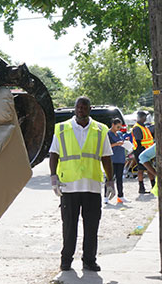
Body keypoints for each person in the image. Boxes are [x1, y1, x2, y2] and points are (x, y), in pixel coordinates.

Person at [49, 96, 114, 272]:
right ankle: (66, 260)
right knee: (69, 226)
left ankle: (89, 260)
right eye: (78, 107)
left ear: (89, 109)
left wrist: (110, 181)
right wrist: (53, 177)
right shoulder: (61, 129)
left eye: (84, 107)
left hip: (92, 186)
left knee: (92, 226)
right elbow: (54, 154)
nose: (81, 110)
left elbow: (106, 157)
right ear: (74, 109)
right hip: (69, 187)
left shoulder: (100, 130)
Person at [131, 111, 154, 194]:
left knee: (149, 168)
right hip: (140, 151)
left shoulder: (144, 127)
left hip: (147, 150)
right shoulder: (137, 128)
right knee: (141, 169)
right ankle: (141, 188)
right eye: (144, 117)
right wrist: (142, 153)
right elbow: (138, 142)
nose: (145, 118)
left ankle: (154, 186)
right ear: (141, 118)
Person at [107, 118, 127, 204]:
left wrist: (125, 142)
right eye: (118, 126)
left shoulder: (119, 133)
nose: (119, 128)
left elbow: (122, 142)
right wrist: (116, 144)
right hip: (113, 159)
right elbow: (106, 146)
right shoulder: (108, 134)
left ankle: (120, 196)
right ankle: (106, 196)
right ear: (113, 125)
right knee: (110, 178)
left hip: (120, 158)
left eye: (120, 127)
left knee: (120, 178)